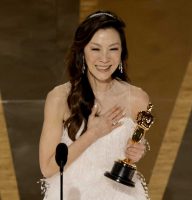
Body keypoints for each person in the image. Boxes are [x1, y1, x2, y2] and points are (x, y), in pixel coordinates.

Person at [39, 10, 151, 200]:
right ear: (82, 51)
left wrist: (136, 151)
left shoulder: (138, 98)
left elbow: (131, 148)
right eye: (96, 49)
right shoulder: (59, 98)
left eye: (113, 49)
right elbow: (48, 167)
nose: (104, 58)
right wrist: (93, 134)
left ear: (122, 51)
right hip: (72, 194)